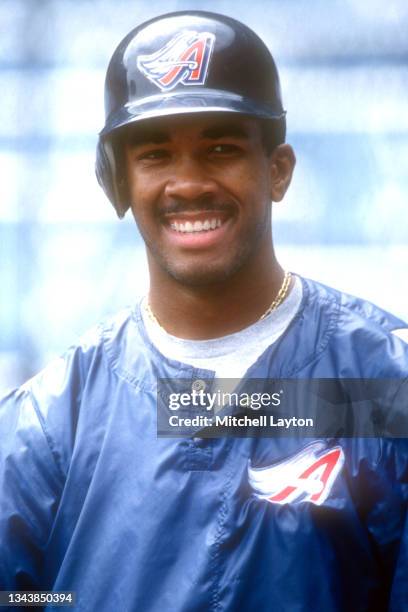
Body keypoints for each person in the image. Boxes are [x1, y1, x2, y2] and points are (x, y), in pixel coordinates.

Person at [0, 10, 407, 611]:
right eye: (155, 154)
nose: (188, 183)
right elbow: (26, 601)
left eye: (220, 148)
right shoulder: (51, 421)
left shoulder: (383, 384)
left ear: (278, 170)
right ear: (117, 183)